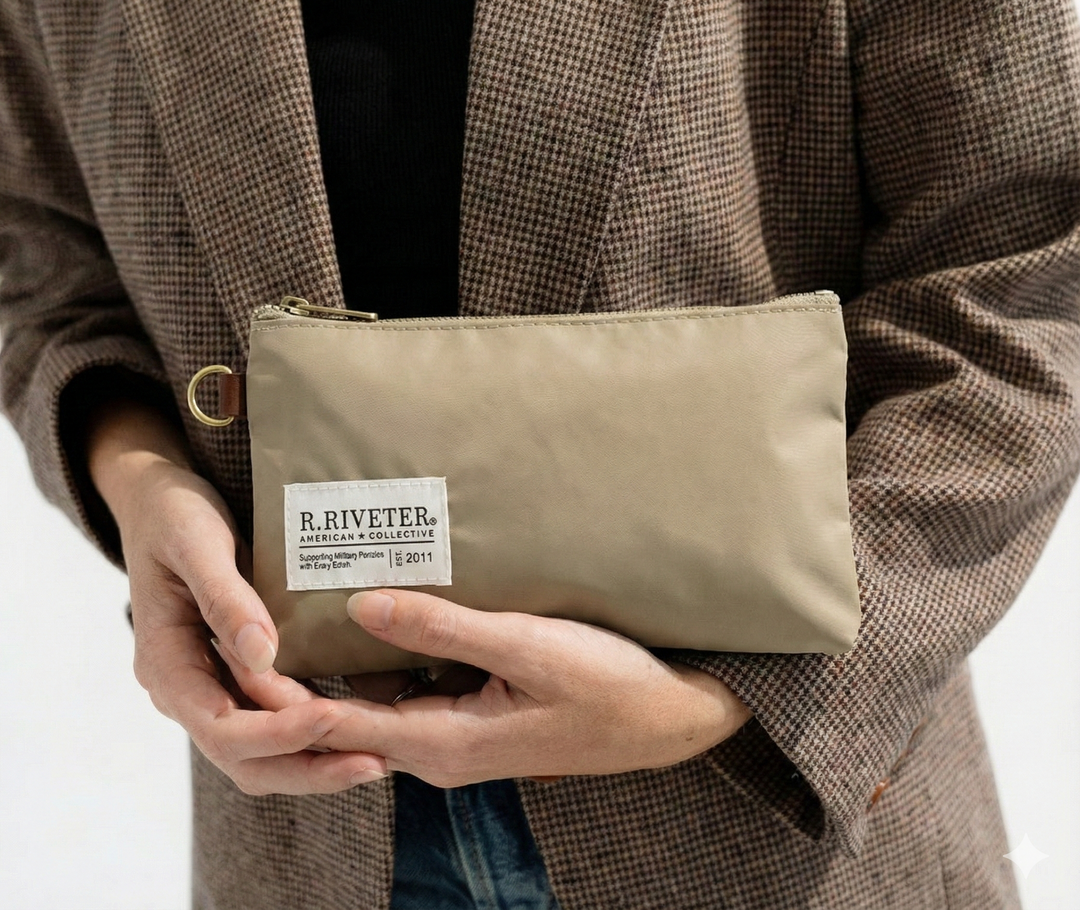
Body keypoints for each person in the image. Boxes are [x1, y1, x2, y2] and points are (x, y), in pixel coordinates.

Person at [2, 0, 1079, 907]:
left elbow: (1027, 283)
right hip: (304, 840)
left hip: (771, 835)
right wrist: (137, 477)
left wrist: (734, 699)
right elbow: (41, 253)